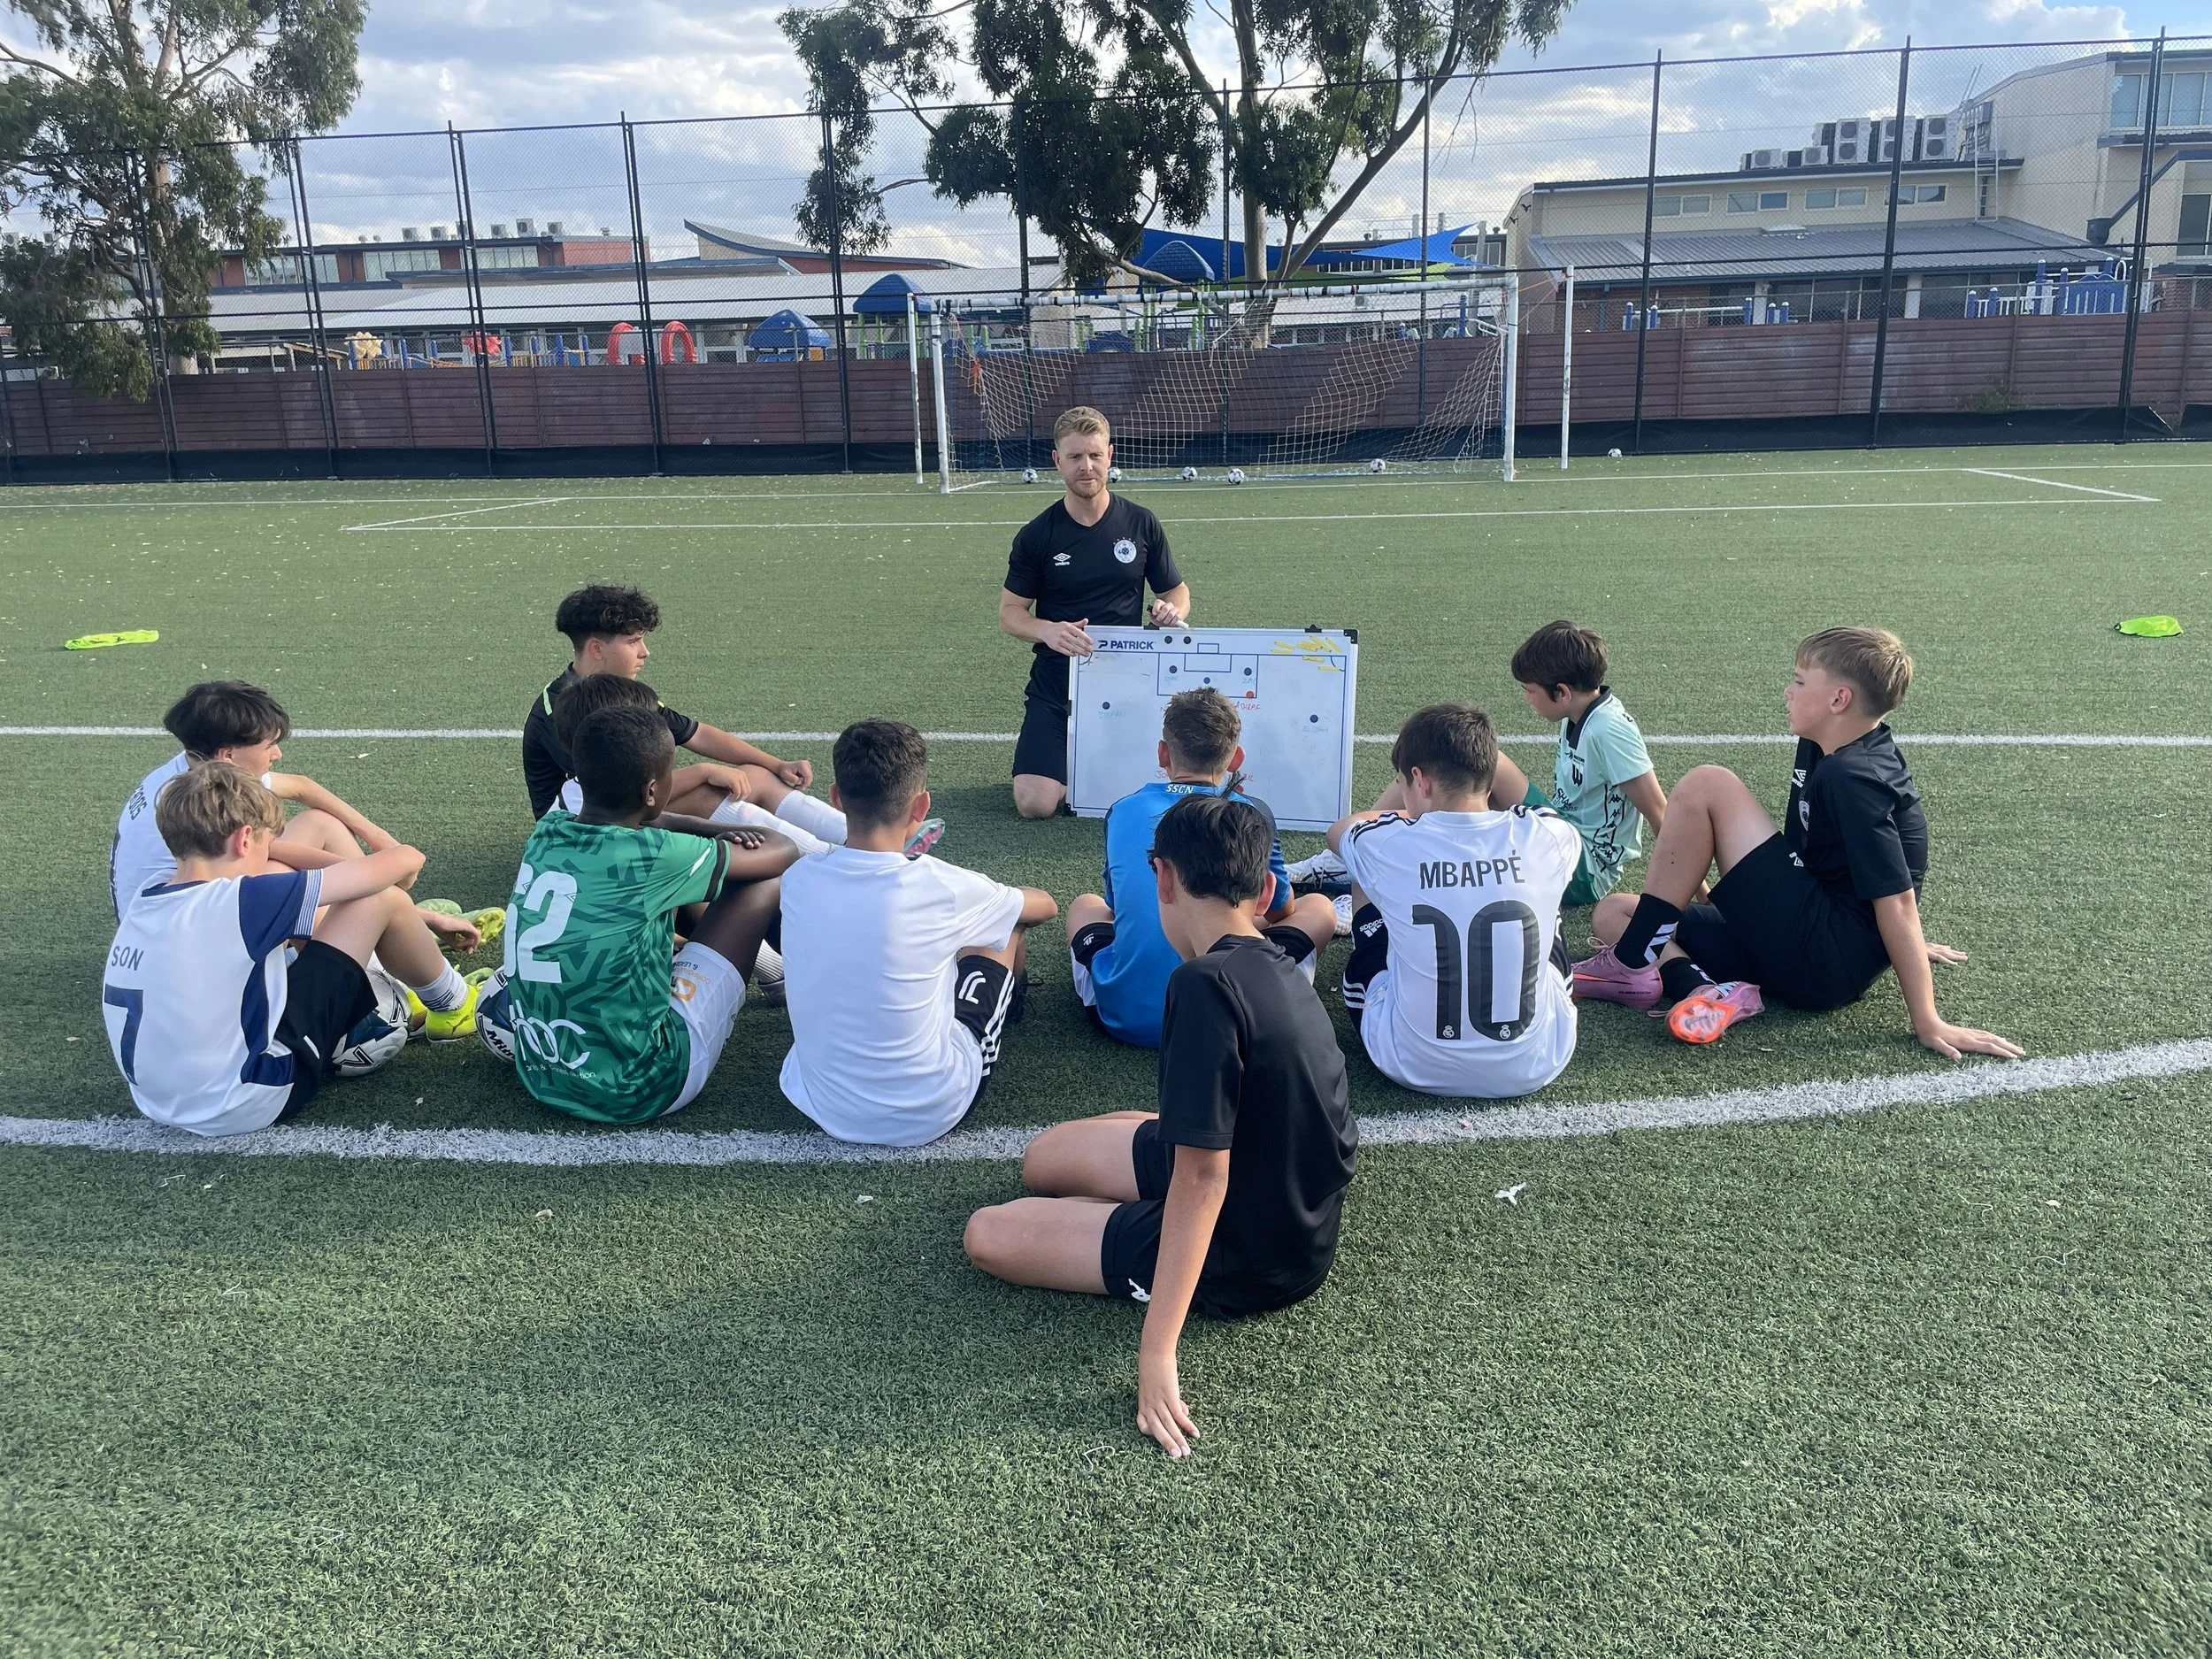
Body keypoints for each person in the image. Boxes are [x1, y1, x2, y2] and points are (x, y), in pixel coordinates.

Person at [964, 794, 1357, 1459]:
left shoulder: (1203, 984)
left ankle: (1133, 1235)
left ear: (1163, 879)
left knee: (988, 1232)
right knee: (1043, 1157)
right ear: (1265, 890)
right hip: (1292, 1206)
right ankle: (1135, 1192)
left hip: (1251, 1254)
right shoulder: (1277, 960)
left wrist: (1157, 1351)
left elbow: (1205, 1179)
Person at [1571, 628, 2024, 1058]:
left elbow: (1899, 899)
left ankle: (1630, 965)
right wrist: (1892, 943)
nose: (1788, 690)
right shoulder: (1825, 747)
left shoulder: (1853, 777)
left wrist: (1928, 1021)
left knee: (1707, 784)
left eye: (1799, 680)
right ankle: (1702, 988)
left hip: (1824, 959)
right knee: (1615, 913)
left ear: (1838, 699)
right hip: (1800, 945)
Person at [99, 763, 483, 1137]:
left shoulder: (151, 891)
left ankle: (392, 981)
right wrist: (415, 906)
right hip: (246, 1099)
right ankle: (455, 1003)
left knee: (302, 888)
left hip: (158, 1101)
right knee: (381, 900)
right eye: (266, 842)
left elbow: (269, 867)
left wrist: (270, 850)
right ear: (244, 839)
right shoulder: (243, 901)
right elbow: (402, 862)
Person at [504, 704, 799, 1125]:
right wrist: (712, 827)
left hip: (543, 1072)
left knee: (677, 894)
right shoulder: (650, 853)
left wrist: (669, 822)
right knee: (760, 883)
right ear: (651, 792)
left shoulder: (547, 832)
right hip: (640, 1087)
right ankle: (829, 999)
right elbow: (780, 850)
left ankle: (779, 975)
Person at [778, 720, 1057, 1147]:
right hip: (929, 1108)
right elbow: (1045, 907)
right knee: (1005, 923)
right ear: (921, 806)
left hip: (820, 1100)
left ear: (835, 798)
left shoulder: (798, 878)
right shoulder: (942, 886)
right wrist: (998, 901)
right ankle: (1010, 1010)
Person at [111, 680, 488, 952]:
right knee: (284, 876)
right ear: (227, 754)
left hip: (179, 910)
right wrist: (391, 885)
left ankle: (389, 924)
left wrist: (379, 839)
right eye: (270, 746)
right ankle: (388, 964)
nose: (277, 755)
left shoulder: (199, 773)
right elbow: (279, 862)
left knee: (318, 824)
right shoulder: (209, 804)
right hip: (186, 939)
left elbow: (301, 787)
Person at [1325, 703, 1582, 1098]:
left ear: (1419, 781)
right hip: (1537, 1062)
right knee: (1548, 910)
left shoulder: (1389, 843)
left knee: (1368, 881)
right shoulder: (1546, 836)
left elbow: (1341, 832)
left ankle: (1376, 939)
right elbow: (1545, 819)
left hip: (1411, 1064)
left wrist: (1414, 819)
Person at [1068, 687, 1338, 1048]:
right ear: (1236, 758)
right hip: (1239, 1020)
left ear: (1163, 753)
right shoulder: (1251, 813)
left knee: (1086, 904)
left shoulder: (1125, 809)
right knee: (1318, 906)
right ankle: (1268, 977)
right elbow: (1279, 912)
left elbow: (1118, 909)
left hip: (1125, 1018)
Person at [521, 583, 852, 852]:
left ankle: (868, 841)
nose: (645, 652)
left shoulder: (620, 693)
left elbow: (697, 733)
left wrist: (775, 763)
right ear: (596, 648)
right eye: (633, 641)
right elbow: (613, 793)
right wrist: (704, 772)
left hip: (630, 802)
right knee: (708, 793)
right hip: (583, 829)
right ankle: (829, 861)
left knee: (756, 776)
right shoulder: (562, 708)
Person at [999, 407, 1191, 818]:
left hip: (1128, 680)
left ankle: (1087, 761)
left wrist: (1170, 610)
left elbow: (1176, 589)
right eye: (1074, 457)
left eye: (1094, 455)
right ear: (1057, 461)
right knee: (1035, 804)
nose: (1086, 467)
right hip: (1057, 681)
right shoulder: (1038, 535)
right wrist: (1049, 631)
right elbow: (1010, 613)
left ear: (1110, 455)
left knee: (1167, 789)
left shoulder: (1141, 523)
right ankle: (1071, 758)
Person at [1505, 620, 1667, 906]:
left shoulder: (1609, 730)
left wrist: (1703, 897)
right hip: (1563, 837)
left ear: (1562, 692)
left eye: (1529, 691)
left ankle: (1401, 827)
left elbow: (1660, 814)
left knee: (1485, 763)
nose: (1526, 699)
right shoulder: (1578, 715)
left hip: (1585, 869)